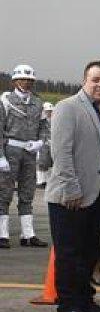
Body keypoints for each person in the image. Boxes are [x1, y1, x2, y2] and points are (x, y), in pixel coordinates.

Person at [46, 61, 100, 312]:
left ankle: (85, 299)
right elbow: (61, 153)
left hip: (98, 195)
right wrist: (71, 188)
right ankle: (67, 305)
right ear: (84, 81)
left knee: (90, 251)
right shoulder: (68, 107)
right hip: (72, 196)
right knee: (69, 253)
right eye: (95, 80)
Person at [1, 64, 50, 247]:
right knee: (4, 193)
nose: (26, 83)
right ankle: (2, 234)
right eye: (22, 79)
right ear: (15, 81)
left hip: (29, 152)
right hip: (10, 150)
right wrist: (1, 156)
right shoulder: (6, 101)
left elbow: (44, 126)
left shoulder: (38, 102)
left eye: (29, 80)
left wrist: (40, 142)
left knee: (27, 193)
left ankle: (28, 234)